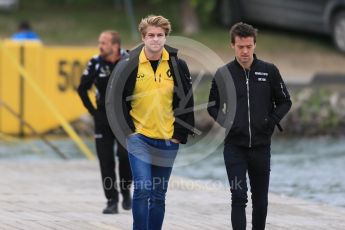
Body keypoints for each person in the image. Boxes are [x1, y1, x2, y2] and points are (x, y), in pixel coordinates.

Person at [111, 15, 194, 230]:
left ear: (166, 37)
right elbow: (116, 100)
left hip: (168, 139)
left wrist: (178, 136)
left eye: (159, 35)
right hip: (139, 137)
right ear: (143, 37)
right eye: (151, 35)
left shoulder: (178, 65)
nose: (155, 40)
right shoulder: (129, 64)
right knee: (143, 189)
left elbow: (187, 101)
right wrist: (128, 132)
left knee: (158, 195)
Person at [208, 22, 292, 230]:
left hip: (261, 147)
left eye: (248, 46)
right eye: (240, 47)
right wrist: (228, 122)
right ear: (232, 46)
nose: (244, 51)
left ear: (254, 44)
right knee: (238, 196)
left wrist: (270, 122)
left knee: (260, 200)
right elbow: (212, 105)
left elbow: (285, 101)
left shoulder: (269, 71)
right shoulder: (223, 73)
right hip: (234, 146)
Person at [77, 30, 132, 214]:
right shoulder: (95, 62)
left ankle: (125, 190)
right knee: (105, 160)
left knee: (125, 157)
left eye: (104, 43)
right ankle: (112, 200)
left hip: (124, 116)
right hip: (102, 117)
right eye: (99, 42)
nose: (100, 46)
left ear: (115, 45)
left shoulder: (129, 59)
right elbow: (82, 88)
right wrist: (93, 112)